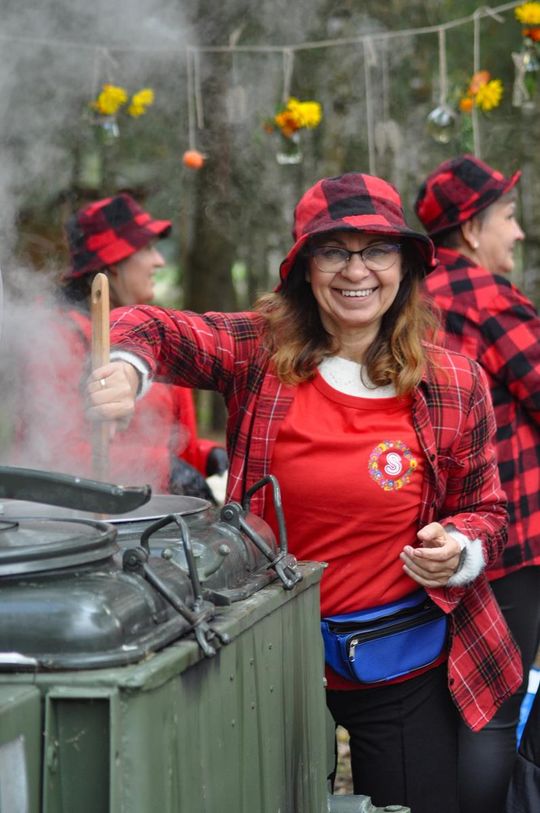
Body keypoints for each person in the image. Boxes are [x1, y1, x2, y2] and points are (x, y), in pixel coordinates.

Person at [86, 172, 521, 813]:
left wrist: (459, 547)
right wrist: (125, 368)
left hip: (399, 659)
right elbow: (148, 326)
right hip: (269, 656)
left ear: (404, 264)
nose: (356, 271)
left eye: (376, 249)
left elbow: (488, 510)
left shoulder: (453, 381)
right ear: (303, 268)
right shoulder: (260, 353)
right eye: (333, 250)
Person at [415, 154, 540, 813]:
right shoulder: (485, 296)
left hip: (434, 532)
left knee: (455, 698)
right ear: (470, 230)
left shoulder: (409, 296)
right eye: (510, 218)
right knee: (497, 702)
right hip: (509, 535)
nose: (517, 234)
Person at [14, 193, 227, 496]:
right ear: (114, 264)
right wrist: (165, 470)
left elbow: (168, 439)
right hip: (93, 531)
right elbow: (49, 454)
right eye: (148, 248)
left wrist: (206, 458)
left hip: (157, 523)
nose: (159, 261)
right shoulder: (56, 337)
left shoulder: (153, 331)